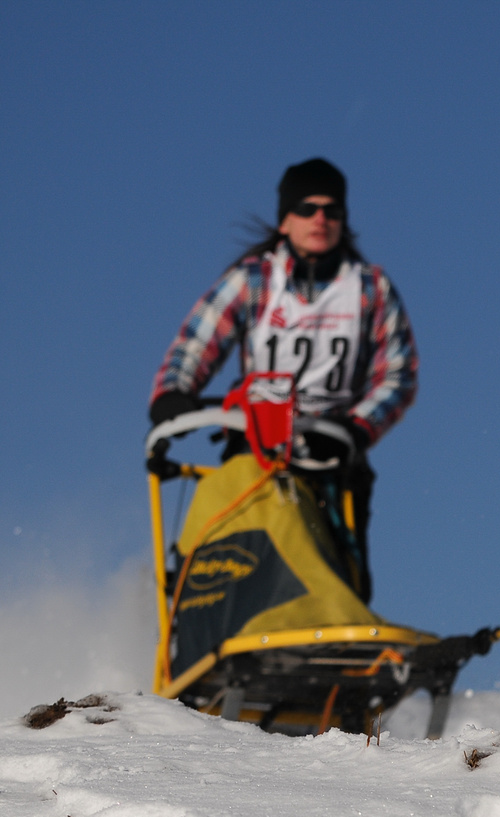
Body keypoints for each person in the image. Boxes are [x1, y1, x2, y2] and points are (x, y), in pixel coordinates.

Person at [149, 158, 418, 603]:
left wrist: (358, 428)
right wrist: (173, 395)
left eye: (332, 211)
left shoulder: (369, 288)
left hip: (332, 451)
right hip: (259, 441)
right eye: (308, 208)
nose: (320, 219)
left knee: (338, 564)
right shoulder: (254, 281)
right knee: (246, 538)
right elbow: (196, 343)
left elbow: (398, 374)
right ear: (284, 220)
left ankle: (339, 634)